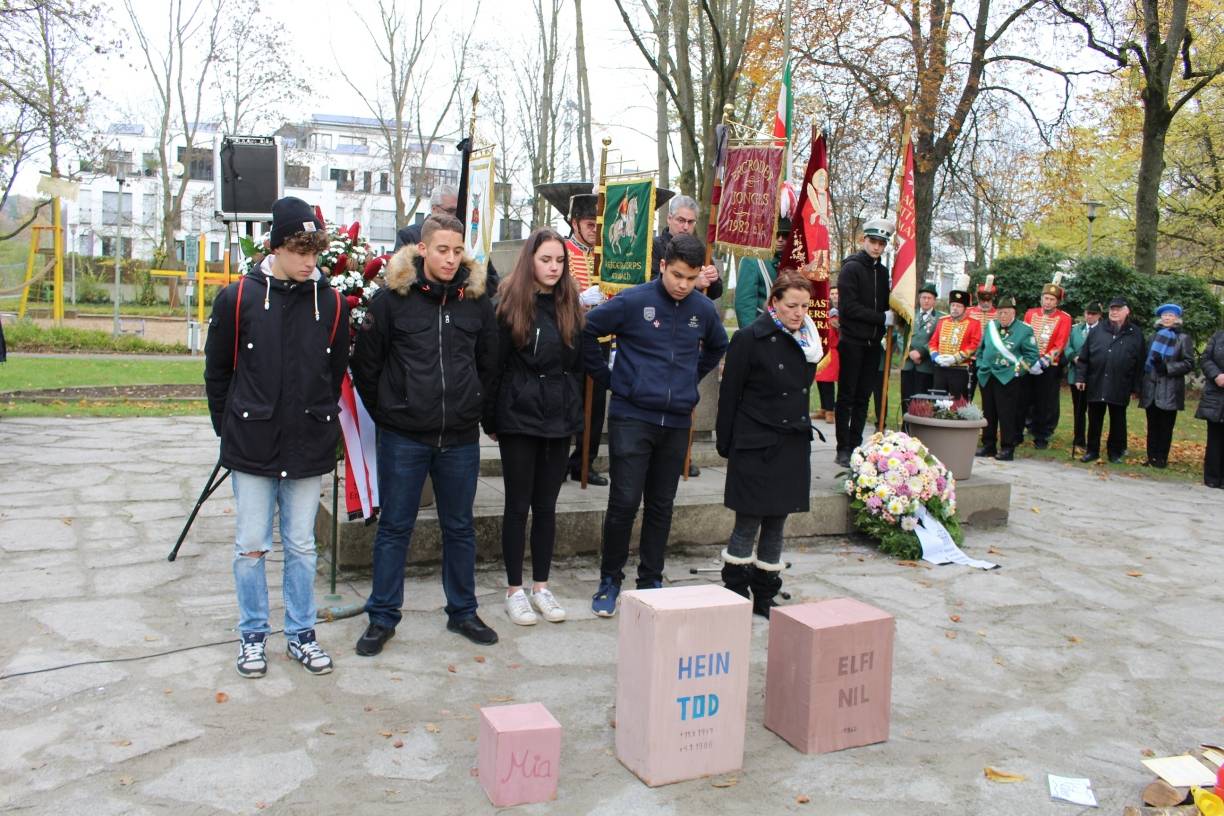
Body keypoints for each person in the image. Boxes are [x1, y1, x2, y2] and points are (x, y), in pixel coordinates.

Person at [203, 196, 349, 678]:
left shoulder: (329, 303)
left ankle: (302, 634)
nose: (310, 261)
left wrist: (320, 417)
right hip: (253, 443)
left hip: (308, 443)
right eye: (300, 251)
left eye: (315, 252)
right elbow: (218, 372)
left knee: (303, 546)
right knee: (250, 545)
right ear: (277, 247)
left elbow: (334, 372)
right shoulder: (238, 298)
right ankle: (252, 636)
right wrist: (230, 429)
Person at [351, 213, 500, 655]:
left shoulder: (477, 302)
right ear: (422, 249)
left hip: (458, 439)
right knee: (395, 527)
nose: (451, 259)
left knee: (460, 527)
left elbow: (490, 364)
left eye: (458, 251)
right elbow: (367, 366)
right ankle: (382, 618)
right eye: (442, 250)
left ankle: (463, 611)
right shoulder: (391, 300)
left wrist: (473, 406)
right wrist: (391, 413)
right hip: (404, 437)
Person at [583, 233, 729, 616]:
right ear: (663, 265)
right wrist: (612, 380)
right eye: (677, 275)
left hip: (677, 421)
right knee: (624, 502)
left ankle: (651, 579)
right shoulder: (633, 301)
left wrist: (688, 379)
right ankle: (609, 580)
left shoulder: (703, 309)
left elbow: (717, 346)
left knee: (661, 505)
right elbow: (586, 331)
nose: (683, 285)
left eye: (691, 277)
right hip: (632, 417)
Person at [483, 228, 585, 625]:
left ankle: (541, 585)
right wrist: (491, 419)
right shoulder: (509, 305)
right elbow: (495, 367)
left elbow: (577, 367)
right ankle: (515, 589)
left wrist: (572, 414)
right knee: (517, 506)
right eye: (546, 260)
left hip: (558, 419)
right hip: (519, 418)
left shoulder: (570, 306)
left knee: (547, 507)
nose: (553, 267)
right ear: (531, 261)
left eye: (559, 260)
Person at [717, 272, 821, 617]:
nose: (799, 313)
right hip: (755, 442)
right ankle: (735, 593)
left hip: (791, 443)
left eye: (805, 306)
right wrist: (727, 442)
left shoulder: (808, 341)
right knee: (747, 522)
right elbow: (730, 393)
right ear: (774, 302)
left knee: (777, 523)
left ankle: (764, 595)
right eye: (792, 305)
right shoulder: (749, 338)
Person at [833, 218, 895, 466]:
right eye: (873, 242)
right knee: (847, 396)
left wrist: (891, 315)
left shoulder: (882, 272)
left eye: (882, 243)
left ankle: (856, 442)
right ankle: (842, 447)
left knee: (863, 396)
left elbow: (884, 301)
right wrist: (881, 317)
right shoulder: (851, 268)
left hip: (873, 343)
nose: (877, 247)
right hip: (852, 341)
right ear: (864, 241)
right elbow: (849, 307)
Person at [1075, 297, 1145, 464]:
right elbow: (1084, 357)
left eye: (1118, 309)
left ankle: (1115, 452)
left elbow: (1140, 362)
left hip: (1121, 383)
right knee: (1094, 418)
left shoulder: (1135, 333)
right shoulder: (1097, 330)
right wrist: (1080, 377)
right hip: (1096, 381)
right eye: (1112, 309)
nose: (1114, 312)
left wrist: (1136, 387)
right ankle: (1092, 451)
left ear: (1127, 311)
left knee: (1118, 420)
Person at [975, 296, 1038, 461]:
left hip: (1007, 377)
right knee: (988, 412)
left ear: (1013, 313)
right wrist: (981, 365)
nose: (1002, 316)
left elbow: (1031, 356)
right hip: (988, 375)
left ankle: (1007, 447)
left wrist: (1016, 372)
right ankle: (988, 445)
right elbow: (981, 349)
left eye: (1006, 313)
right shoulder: (990, 327)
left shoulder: (1024, 330)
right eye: (1000, 313)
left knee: (1006, 413)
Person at [1139, 303, 1195, 468]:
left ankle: (1161, 457)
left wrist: (1167, 367)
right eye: (1164, 315)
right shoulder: (1153, 336)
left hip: (1170, 389)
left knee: (1166, 426)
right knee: (1152, 425)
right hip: (1151, 387)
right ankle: (1151, 457)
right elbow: (1145, 361)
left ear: (1176, 318)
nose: (1167, 318)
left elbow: (1189, 363)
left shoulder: (1183, 338)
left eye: (1170, 315)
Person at [1021, 278, 1072, 448]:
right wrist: (1028, 359)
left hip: (1049, 365)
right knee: (1025, 398)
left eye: (1052, 299)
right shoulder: (1031, 313)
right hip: (1029, 363)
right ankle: (1024, 428)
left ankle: (1042, 435)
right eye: (1046, 298)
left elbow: (1061, 343)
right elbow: (1024, 336)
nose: (1048, 302)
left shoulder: (1064, 318)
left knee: (1045, 401)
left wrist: (1044, 361)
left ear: (1057, 302)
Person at [652, 195, 724, 301]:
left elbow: (716, 293)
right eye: (681, 220)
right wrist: (694, 284)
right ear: (669, 218)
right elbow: (650, 285)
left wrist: (713, 279)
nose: (686, 227)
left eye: (690, 222)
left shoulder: (699, 249)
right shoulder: (654, 246)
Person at [734, 217, 792, 329]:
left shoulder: (795, 262)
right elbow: (745, 304)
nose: (780, 239)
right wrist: (750, 335)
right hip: (762, 327)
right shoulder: (752, 260)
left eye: (785, 235)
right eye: (776, 234)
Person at [928, 279, 982, 399]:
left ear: (965, 308)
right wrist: (935, 357)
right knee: (938, 402)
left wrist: (955, 358)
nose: (955, 308)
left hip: (960, 369)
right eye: (953, 305)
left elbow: (974, 344)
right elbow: (933, 342)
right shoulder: (943, 321)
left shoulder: (974, 323)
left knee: (958, 404)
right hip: (940, 368)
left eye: (958, 306)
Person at [1064, 302, 1102, 451]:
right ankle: (1079, 439)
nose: (1089, 316)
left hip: (1095, 376)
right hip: (1076, 373)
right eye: (1087, 313)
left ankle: (1093, 442)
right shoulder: (1076, 329)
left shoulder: (1103, 330)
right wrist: (1073, 357)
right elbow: (1067, 346)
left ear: (1099, 315)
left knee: (1094, 411)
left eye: (1093, 314)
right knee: (1078, 410)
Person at [901, 282, 943, 414]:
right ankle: (905, 430)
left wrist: (921, 353)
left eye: (929, 298)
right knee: (906, 399)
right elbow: (901, 335)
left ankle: (919, 429)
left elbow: (938, 338)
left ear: (934, 300)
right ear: (919, 299)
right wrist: (910, 353)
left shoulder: (940, 318)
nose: (926, 300)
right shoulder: (909, 314)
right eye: (923, 297)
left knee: (921, 401)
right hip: (907, 364)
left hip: (925, 366)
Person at [1196, 328, 1224, 488]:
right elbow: (1205, 358)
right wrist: (1216, 375)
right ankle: (1212, 477)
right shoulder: (1218, 335)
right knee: (1214, 437)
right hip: (1215, 393)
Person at [966, 275, 998, 400]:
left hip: (990, 361)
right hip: (970, 358)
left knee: (989, 395)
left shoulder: (998, 314)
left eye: (988, 301)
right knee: (967, 393)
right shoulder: (968, 312)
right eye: (982, 301)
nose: (985, 303)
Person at [815, 286, 839, 423]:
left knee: (828, 381)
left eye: (837, 293)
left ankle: (831, 410)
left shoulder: (838, 312)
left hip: (832, 350)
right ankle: (824, 408)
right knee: (820, 380)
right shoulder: (822, 310)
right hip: (821, 349)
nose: (834, 296)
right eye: (832, 293)